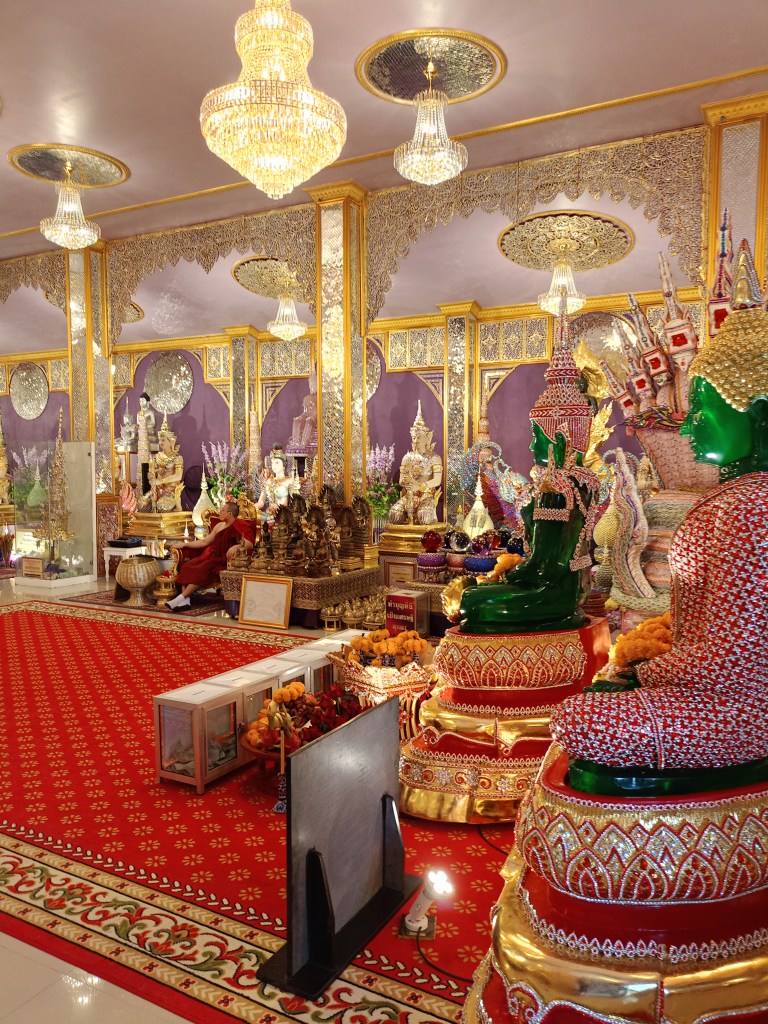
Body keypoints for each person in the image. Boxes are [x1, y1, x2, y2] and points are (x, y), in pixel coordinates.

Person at [551, 241, 768, 774]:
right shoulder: (735, 500)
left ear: (759, 415)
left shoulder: (750, 509)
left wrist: (644, 671)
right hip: (709, 688)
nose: (690, 426)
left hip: (740, 711)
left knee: (580, 719)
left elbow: (736, 661)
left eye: (706, 411)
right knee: (590, 706)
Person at [459, 307, 599, 635]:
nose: (532, 445)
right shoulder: (583, 482)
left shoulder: (557, 490)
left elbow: (548, 566)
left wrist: (512, 573)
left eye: (537, 436)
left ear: (559, 438)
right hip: (571, 590)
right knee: (476, 595)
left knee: (472, 600)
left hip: (549, 592)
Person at [166, 501, 254, 611]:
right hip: (210, 556)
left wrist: (237, 546)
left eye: (223, 510)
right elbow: (205, 542)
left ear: (230, 514)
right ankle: (185, 601)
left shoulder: (239, 525)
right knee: (187, 566)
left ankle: (179, 599)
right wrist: (185, 545)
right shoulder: (219, 526)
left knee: (200, 570)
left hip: (222, 559)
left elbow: (250, 544)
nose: (220, 512)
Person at [387, 402, 443, 525]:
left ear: (427, 438)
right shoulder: (407, 458)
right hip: (409, 495)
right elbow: (401, 481)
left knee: (424, 517)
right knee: (394, 516)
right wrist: (406, 483)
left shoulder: (435, 458)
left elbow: (437, 481)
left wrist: (420, 486)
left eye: (419, 437)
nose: (416, 440)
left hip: (426, 494)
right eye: (414, 437)